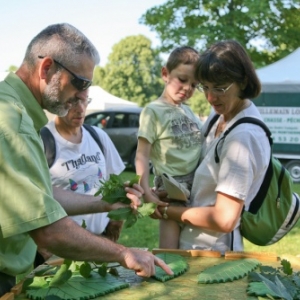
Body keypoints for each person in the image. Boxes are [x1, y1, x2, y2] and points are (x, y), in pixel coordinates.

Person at [0, 23, 172, 296]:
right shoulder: (13, 123)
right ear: (46, 69)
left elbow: (42, 196)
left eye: (87, 87)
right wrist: (124, 253)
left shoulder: (12, 109)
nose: (82, 96)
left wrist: (106, 203)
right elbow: (48, 231)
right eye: (80, 83)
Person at [155, 40, 270, 253]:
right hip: (190, 247)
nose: (210, 97)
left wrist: (167, 212)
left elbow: (224, 218)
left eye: (219, 88)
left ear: (243, 81)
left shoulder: (243, 137)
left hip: (215, 256)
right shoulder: (220, 115)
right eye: (204, 87)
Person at [35, 99, 125, 265]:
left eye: (85, 101)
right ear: (57, 104)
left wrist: (113, 231)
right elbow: (36, 201)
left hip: (101, 245)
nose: (81, 109)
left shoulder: (98, 136)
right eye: (73, 102)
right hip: (60, 252)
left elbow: (116, 185)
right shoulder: (42, 140)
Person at [135, 46, 202, 249]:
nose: (188, 88)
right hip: (172, 189)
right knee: (170, 253)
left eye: (194, 84)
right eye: (182, 79)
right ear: (165, 74)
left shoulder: (190, 112)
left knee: (195, 249)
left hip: (198, 185)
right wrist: (146, 192)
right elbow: (141, 155)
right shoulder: (153, 111)